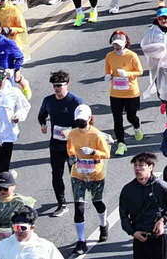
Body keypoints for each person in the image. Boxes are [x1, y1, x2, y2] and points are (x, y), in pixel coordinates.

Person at [65, 104, 110, 254]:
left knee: (97, 202)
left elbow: (106, 153)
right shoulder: (72, 134)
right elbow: (70, 148)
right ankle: (81, 241)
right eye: (78, 120)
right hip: (78, 174)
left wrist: (92, 152)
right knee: (79, 208)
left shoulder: (96, 135)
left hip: (95, 173)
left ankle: (103, 224)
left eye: (83, 120)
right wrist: (72, 157)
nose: (80, 123)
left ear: (90, 118)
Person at [119, 154, 167, 259]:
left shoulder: (161, 186)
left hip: (159, 236)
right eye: (135, 166)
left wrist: (163, 220)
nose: (137, 169)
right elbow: (123, 215)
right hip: (139, 237)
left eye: (141, 166)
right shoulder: (128, 190)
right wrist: (132, 232)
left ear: (150, 167)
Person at [37, 70, 81, 214]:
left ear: (67, 84)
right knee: (56, 175)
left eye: (60, 85)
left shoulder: (75, 102)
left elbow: (86, 121)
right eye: (55, 86)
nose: (57, 88)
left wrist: (72, 132)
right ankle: (61, 204)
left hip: (72, 146)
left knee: (74, 174)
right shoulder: (48, 101)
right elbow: (41, 115)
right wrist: (43, 124)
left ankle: (78, 200)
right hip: (56, 145)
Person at [104, 30, 144, 155]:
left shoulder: (132, 55)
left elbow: (140, 71)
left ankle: (136, 127)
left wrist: (127, 74)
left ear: (125, 43)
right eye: (115, 44)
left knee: (131, 116)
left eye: (119, 45)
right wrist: (108, 76)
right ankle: (121, 143)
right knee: (117, 119)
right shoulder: (109, 56)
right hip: (116, 93)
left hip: (131, 92)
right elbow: (108, 71)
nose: (117, 47)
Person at [0, 206, 64, 259]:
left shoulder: (45, 246)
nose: (19, 231)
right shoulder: (2, 246)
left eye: (23, 228)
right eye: (16, 227)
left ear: (32, 227)